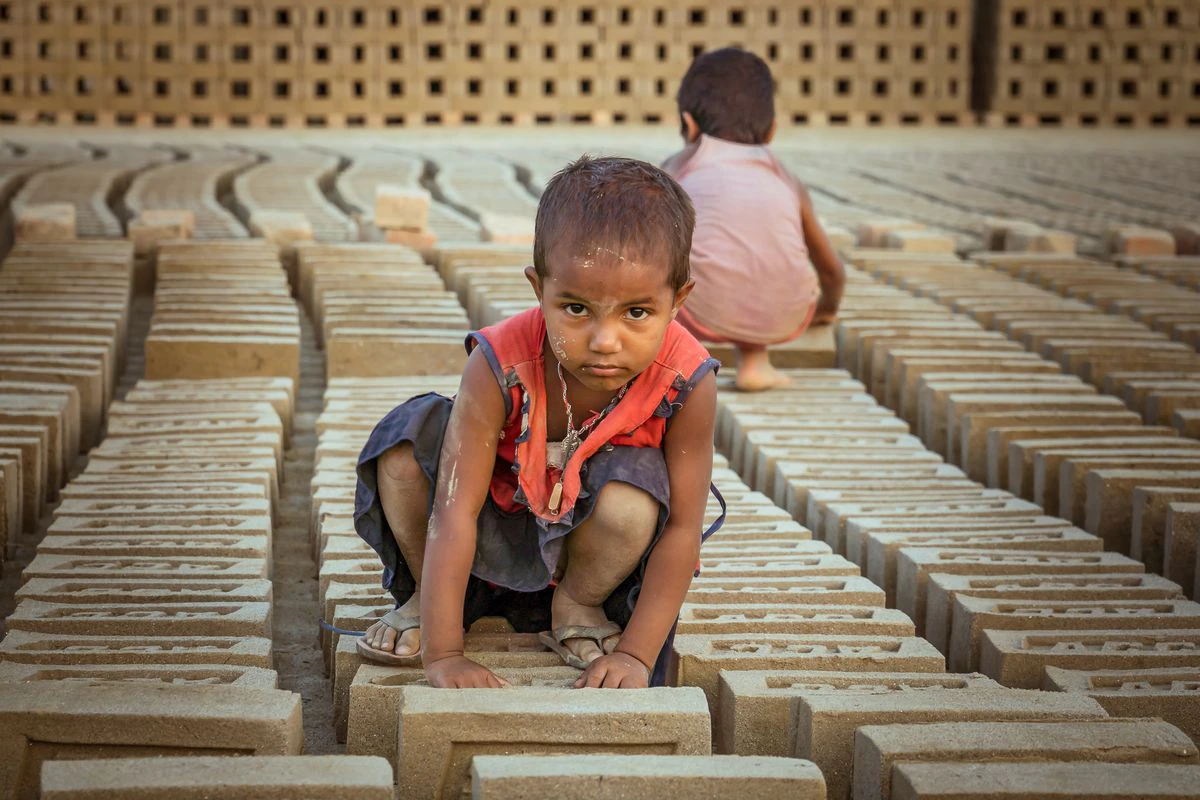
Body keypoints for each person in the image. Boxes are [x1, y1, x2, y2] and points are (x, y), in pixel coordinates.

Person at [353, 156, 724, 689]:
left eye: (637, 313)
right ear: (539, 289)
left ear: (678, 300)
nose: (604, 339)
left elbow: (683, 528)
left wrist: (637, 657)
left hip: (588, 549)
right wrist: (445, 655)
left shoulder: (687, 382)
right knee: (406, 444)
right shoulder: (498, 363)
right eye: (575, 308)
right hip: (487, 531)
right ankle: (429, 601)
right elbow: (453, 512)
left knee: (636, 496)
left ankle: (576, 605)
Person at [662, 47, 846, 392]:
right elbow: (832, 271)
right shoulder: (785, 176)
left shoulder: (682, 163)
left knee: (660, 256)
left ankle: (669, 362)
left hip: (700, 311)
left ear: (689, 124)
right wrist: (825, 310)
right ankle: (756, 365)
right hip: (787, 313)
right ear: (772, 131)